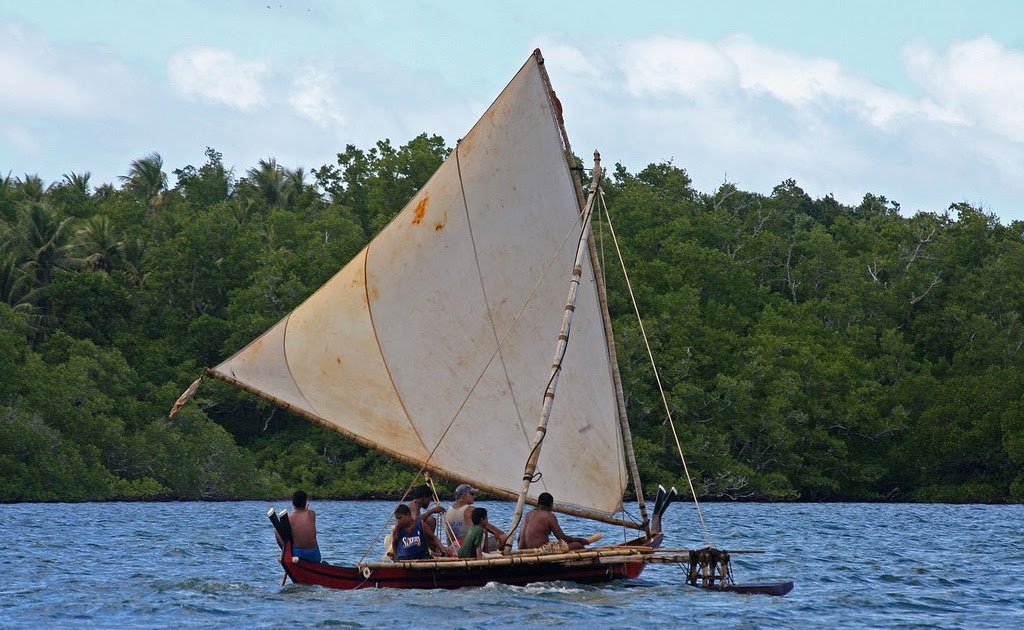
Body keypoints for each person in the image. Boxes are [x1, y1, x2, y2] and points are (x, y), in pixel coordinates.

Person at [445, 484, 507, 552]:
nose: (474, 496)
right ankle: (496, 554)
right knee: (500, 537)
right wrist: (502, 535)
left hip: (453, 548)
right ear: (464, 496)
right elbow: (487, 526)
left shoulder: (448, 510)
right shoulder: (470, 510)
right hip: (468, 549)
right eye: (472, 494)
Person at [518, 492, 587, 551]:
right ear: (551, 505)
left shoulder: (527, 514)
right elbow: (562, 538)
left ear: (538, 503)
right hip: (539, 550)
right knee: (577, 545)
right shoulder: (549, 516)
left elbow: (519, 539)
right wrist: (579, 540)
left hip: (522, 549)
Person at [287, 489, 321, 563]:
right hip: (314, 555)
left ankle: (287, 553)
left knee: (277, 531)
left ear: (293, 503)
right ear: (305, 502)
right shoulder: (312, 514)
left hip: (298, 554)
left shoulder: (290, 518)